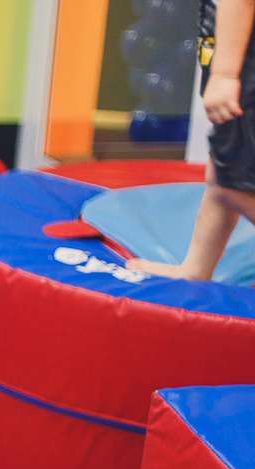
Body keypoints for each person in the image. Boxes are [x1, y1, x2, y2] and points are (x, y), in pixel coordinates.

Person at [128, 0, 255, 280]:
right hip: (240, 63)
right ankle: (196, 269)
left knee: (230, 185)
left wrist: (225, 74)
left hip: (246, 70)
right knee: (221, 172)